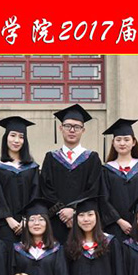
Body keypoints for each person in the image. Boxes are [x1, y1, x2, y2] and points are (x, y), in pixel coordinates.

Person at [40, 104, 102, 244]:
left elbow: (93, 189)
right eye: (68, 126)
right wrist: (62, 211)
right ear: (60, 128)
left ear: (83, 130)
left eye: (77, 127)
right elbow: (45, 188)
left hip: (83, 221)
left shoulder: (92, 158)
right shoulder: (51, 157)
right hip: (56, 220)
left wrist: (74, 210)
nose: (72, 130)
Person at [64, 196, 127, 275]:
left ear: (97, 217)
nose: (86, 219)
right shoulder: (70, 246)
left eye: (90, 214)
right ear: (76, 219)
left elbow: (118, 274)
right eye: (81, 215)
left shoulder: (110, 243)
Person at [99, 118, 138, 241]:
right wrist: (119, 221)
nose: (122, 143)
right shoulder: (106, 169)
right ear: (113, 143)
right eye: (118, 140)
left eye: (126, 139)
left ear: (133, 142)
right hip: (114, 226)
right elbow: (104, 199)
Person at [0, 116, 40, 244]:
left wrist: (27, 219)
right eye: (13, 135)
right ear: (6, 138)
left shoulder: (32, 168)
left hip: (28, 225)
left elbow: (36, 195)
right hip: (4, 226)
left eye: (21, 137)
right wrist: (8, 218)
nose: (16, 140)